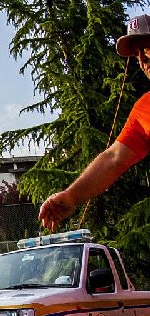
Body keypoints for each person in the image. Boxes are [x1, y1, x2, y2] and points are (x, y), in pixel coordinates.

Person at [40, 14, 150, 231]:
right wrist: (72, 196)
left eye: (146, 48)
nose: (141, 60)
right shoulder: (144, 108)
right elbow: (113, 158)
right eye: (137, 53)